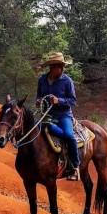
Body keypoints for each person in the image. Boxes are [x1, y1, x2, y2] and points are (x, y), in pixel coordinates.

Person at [37, 52, 81, 181]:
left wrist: (59, 101)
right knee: (33, 132)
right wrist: (39, 101)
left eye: (62, 66)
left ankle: (75, 167)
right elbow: (39, 95)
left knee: (68, 136)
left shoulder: (67, 81)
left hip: (63, 115)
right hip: (47, 114)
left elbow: (73, 101)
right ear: (52, 67)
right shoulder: (42, 80)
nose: (62, 69)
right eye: (60, 66)